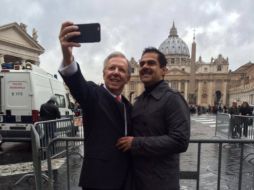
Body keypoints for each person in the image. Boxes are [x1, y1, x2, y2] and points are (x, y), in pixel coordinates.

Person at [58, 21, 132, 190]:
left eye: (121, 70)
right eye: (111, 68)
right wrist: (67, 54)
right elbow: (77, 83)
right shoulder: (93, 94)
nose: (115, 72)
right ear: (104, 73)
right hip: (98, 180)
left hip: (125, 179)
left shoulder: (129, 106)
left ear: (128, 78)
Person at [117, 47, 190, 190]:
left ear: (164, 70)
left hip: (160, 182)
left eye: (151, 63)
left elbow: (180, 141)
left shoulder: (173, 99)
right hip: (137, 180)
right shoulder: (139, 101)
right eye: (142, 63)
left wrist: (135, 143)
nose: (145, 67)